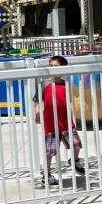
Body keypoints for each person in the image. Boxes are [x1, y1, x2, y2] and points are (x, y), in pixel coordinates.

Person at [33, 55, 85, 186]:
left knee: (77, 144)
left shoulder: (66, 84)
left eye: (56, 66)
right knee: (50, 152)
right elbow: (37, 100)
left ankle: (74, 160)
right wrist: (38, 113)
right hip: (50, 123)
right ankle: (47, 174)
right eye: (51, 66)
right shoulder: (45, 83)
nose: (53, 68)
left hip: (66, 121)